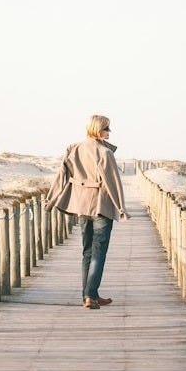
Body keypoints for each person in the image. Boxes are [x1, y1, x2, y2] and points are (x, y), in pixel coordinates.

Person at [46, 114, 129, 309]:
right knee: (98, 252)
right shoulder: (105, 153)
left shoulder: (73, 149)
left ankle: (89, 295)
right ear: (97, 130)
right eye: (107, 128)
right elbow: (113, 183)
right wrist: (121, 208)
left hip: (82, 206)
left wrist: (51, 198)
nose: (109, 132)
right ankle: (91, 295)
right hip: (101, 206)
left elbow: (61, 176)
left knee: (87, 251)